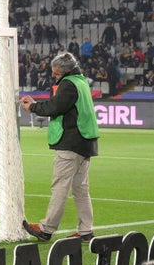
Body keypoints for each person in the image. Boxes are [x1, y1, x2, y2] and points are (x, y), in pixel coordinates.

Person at [20, 51, 100, 243]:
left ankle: (46, 229)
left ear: (65, 71)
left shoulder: (68, 84)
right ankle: (86, 231)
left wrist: (32, 107)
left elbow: (55, 107)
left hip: (71, 143)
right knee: (80, 188)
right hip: (86, 142)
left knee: (60, 187)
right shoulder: (81, 82)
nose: (54, 76)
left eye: (56, 74)